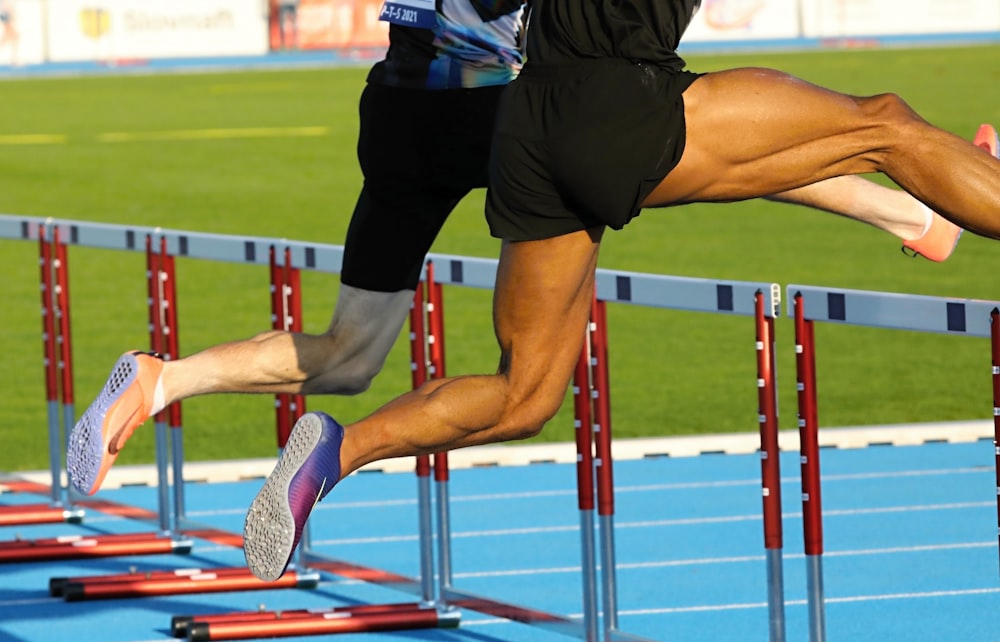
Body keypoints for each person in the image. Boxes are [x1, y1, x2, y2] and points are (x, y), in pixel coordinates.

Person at [66, 0, 998, 582]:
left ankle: (231, 409)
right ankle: (918, 217)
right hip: (545, 103)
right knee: (841, 130)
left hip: (450, 118)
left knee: (426, 369)